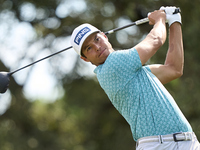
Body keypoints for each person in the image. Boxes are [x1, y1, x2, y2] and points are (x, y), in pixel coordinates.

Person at [70, 6, 200, 150]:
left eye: (96, 39)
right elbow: (156, 40)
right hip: (161, 145)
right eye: (89, 48)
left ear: (104, 36)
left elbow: (174, 69)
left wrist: (175, 21)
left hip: (184, 143)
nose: (97, 47)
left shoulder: (134, 73)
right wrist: (160, 18)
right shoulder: (112, 66)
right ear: (85, 59)